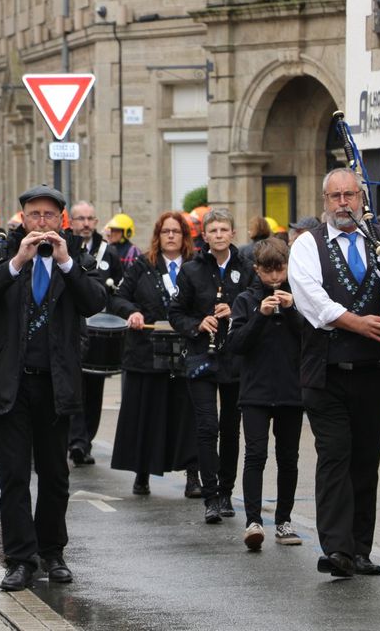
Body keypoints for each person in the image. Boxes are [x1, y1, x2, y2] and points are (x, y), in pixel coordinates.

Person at [288, 168, 380, 577]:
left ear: (361, 199)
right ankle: (336, 549)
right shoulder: (308, 245)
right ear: (325, 201)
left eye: (349, 196)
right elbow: (310, 299)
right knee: (335, 455)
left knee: (365, 460)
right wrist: (357, 323)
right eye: (335, 196)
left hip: (374, 370)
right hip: (326, 371)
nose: (343, 203)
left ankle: (360, 549)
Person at [0, 185, 106, 592]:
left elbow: (95, 301)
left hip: (56, 383)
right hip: (12, 384)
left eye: (49, 215)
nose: (42, 222)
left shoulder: (75, 255)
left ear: (61, 220)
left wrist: (66, 263)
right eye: (34, 215)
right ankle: (19, 558)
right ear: (23, 218)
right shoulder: (3, 252)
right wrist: (17, 261)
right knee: (13, 477)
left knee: (54, 475)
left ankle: (53, 552)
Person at [169, 208, 254, 524]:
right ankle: (210, 495)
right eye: (213, 230)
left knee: (232, 428)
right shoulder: (191, 270)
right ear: (204, 236)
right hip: (201, 357)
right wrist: (197, 324)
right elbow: (176, 312)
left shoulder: (247, 268)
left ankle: (227, 492)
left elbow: (257, 306)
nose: (219, 235)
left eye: (224, 229)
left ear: (233, 233)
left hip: (235, 359)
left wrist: (235, 310)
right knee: (207, 427)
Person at [108, 212, 199, 497]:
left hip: (185, 352)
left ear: (185, 237)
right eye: (165, 231)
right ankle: (142, 472)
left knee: (187, 415)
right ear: (158, 236)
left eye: (176, 231)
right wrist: (131, 312)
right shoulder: (142, 265)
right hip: (146, 351)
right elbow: (118, 297)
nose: (171, 236)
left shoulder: (196, 266)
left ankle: (193, 475)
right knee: (147, 413)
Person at [228, 237, 305, 550]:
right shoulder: (245, 301)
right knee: (255, 455)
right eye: (268, 271)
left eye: (280, 270)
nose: (275, 277)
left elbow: (309, 339)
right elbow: (236, 345)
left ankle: (284, 521)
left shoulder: (298, 298)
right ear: (257, 269)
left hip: (290, 391)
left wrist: (289, 311)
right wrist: (260, 315)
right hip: (256, 391)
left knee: (288, 458)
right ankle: (253, 521)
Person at [67, 200, 123, 466]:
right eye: (81, 219)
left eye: (90, 219)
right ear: (71, 221)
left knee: (95, 387)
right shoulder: (64, 248)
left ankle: (85, 441)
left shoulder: (108, 252)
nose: (86, 224)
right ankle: (75, 440)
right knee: (74, 386)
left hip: (100, 331)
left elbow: (119, 288)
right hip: (73, 328)